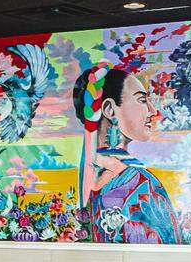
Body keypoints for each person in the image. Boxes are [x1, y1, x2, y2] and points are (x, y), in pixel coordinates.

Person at [72, 63, 180, 243]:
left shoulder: (89, 178)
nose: (153, 111)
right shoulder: (142, 184)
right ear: (109, 110)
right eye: (142, 100)